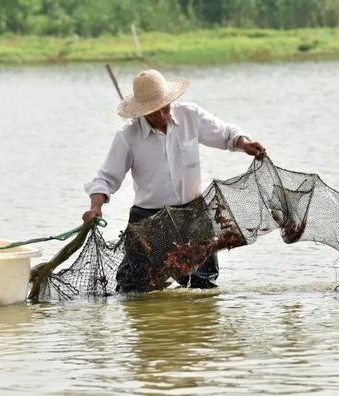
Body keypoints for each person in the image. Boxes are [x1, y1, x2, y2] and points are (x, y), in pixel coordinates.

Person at [82, 69, 265, 292]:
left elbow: (226, 134)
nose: (161, 115)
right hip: (149, 221)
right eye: (153, 111)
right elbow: (106, 179)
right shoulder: (127, 137)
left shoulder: (190, 116)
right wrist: (95, 207)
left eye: (164, 107)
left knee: (202, 285)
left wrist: (243, 143)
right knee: (134, 288)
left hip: (193, 215)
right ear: (142, 111)